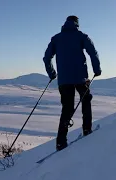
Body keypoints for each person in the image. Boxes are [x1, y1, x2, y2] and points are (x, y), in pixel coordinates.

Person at [42, 15, 102, 151]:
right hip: (81, 77)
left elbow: (46, 58)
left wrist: (52, 74)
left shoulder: (56, 38)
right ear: (77, 24)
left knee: (67, 109)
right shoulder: (82, 36)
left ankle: (60, 142)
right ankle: (87, 129)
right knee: (86, 100)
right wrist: (97, 69)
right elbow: (93, 53)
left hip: (64, 80)